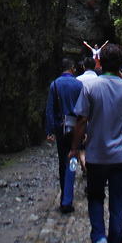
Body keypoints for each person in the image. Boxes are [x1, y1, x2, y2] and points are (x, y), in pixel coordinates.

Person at [70, 42, 122, 243]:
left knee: (95, 197)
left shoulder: (91, 86)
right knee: (117, 202)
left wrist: (74, 148)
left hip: (96, 155)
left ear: (100, 62)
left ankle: (99, 237)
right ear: (120, 65)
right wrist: (120, 73)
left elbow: (82, 119)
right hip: (120, 156)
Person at [46, 57, 83, 214]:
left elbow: (50, 109)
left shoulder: (54, 84)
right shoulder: (78, 85)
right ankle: (68, 197)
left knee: (63, 161)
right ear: (72, 68)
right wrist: (85, 132)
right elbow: (84, 111)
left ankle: (65, 196)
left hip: (61, 128)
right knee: (73, 159)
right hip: (75, 129)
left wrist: (49, 131)